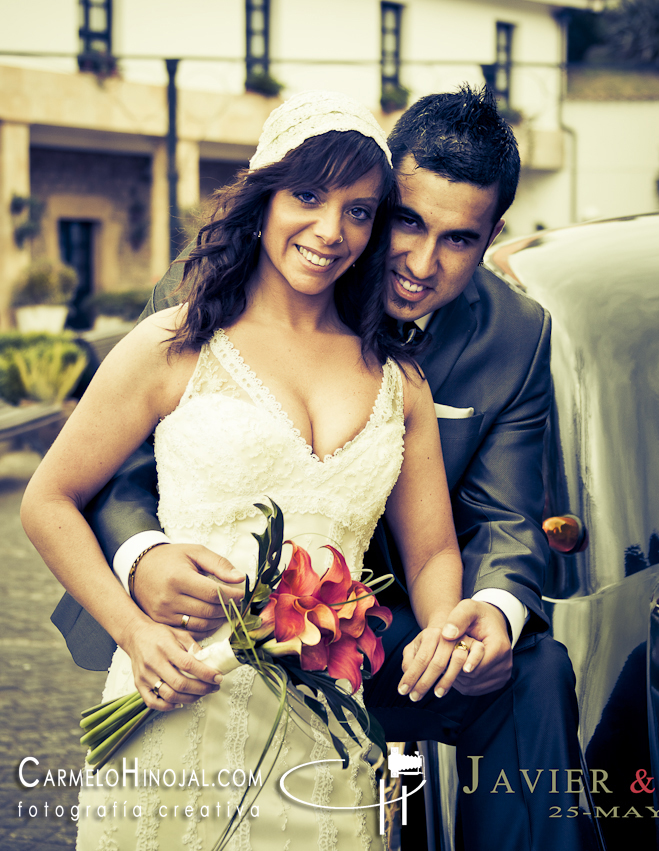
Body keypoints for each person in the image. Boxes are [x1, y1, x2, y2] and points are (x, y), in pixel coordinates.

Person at [53, 87, 599, 850]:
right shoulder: (217, 280)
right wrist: (143, 560)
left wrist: (485, 620)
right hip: (211, 613)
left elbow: (505, 517)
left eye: (459, 239)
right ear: (381, 191)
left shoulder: (514, 338)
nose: (417, 261)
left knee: (534, 672)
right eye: (406, 220)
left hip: (385, 635)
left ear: (491, 236)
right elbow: (112, 470)